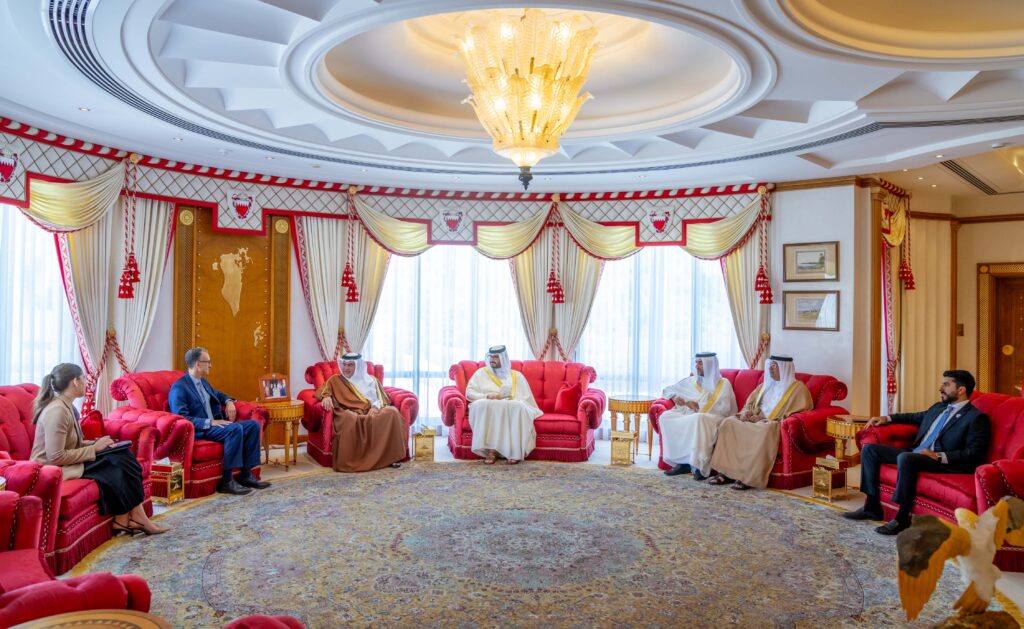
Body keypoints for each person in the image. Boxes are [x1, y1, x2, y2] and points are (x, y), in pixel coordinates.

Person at [844, 369, 990, 535]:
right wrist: (887, 418)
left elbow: (975, 453)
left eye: (946, 384)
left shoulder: (975, 417)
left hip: (941, 461)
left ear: (961, 390)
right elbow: (914, 417)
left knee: (906, 458)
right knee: (870, 450)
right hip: (916, 453)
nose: (941, 388)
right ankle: (871, 507)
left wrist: (939, 456)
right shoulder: (939, 407)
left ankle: (902, 517)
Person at [31, 363, 167, 536]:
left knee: (121, 455)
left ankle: (126, 518)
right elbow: (55, 456)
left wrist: (97, 444)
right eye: (83, 378)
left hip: (67, 461)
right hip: (54, 469)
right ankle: (134, 518)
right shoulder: (57, 411)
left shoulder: (66, 406)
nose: (86, 382)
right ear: (75, 382)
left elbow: (72, 444)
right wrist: (94, 449)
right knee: (118, 463)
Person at [168, 347, 270, 495]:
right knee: (235, 429)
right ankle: (227, 482)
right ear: (198, 364)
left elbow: (217, 394)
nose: (210, 365)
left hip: (215, 426)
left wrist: (228, 401)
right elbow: (181, 418)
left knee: (253, 426)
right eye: (208, 362)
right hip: (200, 430)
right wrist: (209, 422)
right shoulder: (179, 388)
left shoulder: (202, 382)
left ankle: (246, 475)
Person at [706, 355, 813, 490]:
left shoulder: (798, 390)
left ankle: (748, 478)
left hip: (773, 423)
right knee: (729, 423)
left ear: (784, 368)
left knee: (762, 429)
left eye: (774, 365)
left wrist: (763, 419)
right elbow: (749, 404)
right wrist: (746, 413)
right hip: (754, 419)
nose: (770, 368)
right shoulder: (764, 386)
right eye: (770, 365)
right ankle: (725, 473)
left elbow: (799, 414)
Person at [315, 352, 407, 472]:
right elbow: (323, 390)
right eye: (344, 364)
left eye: (350, 365)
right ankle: (354, 463)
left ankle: (390, 458)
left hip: (372, 410)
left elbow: (381, 398)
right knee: (349, 419)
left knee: (392, 412)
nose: (346, 368)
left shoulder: (372, 380)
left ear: (358, 366)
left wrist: (375, 408)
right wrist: (326, 397)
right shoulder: (336, 380)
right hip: (350, 411)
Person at [659, 352, 738, 479]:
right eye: (696, 362)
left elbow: (724, 408)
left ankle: (699, 466)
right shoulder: (691, 381)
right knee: (665, 417)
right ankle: (683, 463)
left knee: (698, 418)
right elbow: (667, 389)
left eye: (700, 363)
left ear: (709, 364)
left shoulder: (723, 383)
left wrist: (697, 405)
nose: (696, 366)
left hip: (715, 416)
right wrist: (674, 397)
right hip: (692, 414)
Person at [466, 345, 542, 465]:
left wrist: (508, 399)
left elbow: (525, 398)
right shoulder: (480, 374)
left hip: (510, 405)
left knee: (517, 407)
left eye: (496, 357)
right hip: (488, 403)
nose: (492, 359)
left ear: (504, 358)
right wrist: (487, 396)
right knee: (481, 405)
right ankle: (491, 450)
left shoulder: (516, 376)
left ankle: (514, 451)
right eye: (491, 356)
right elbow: (469, 392)